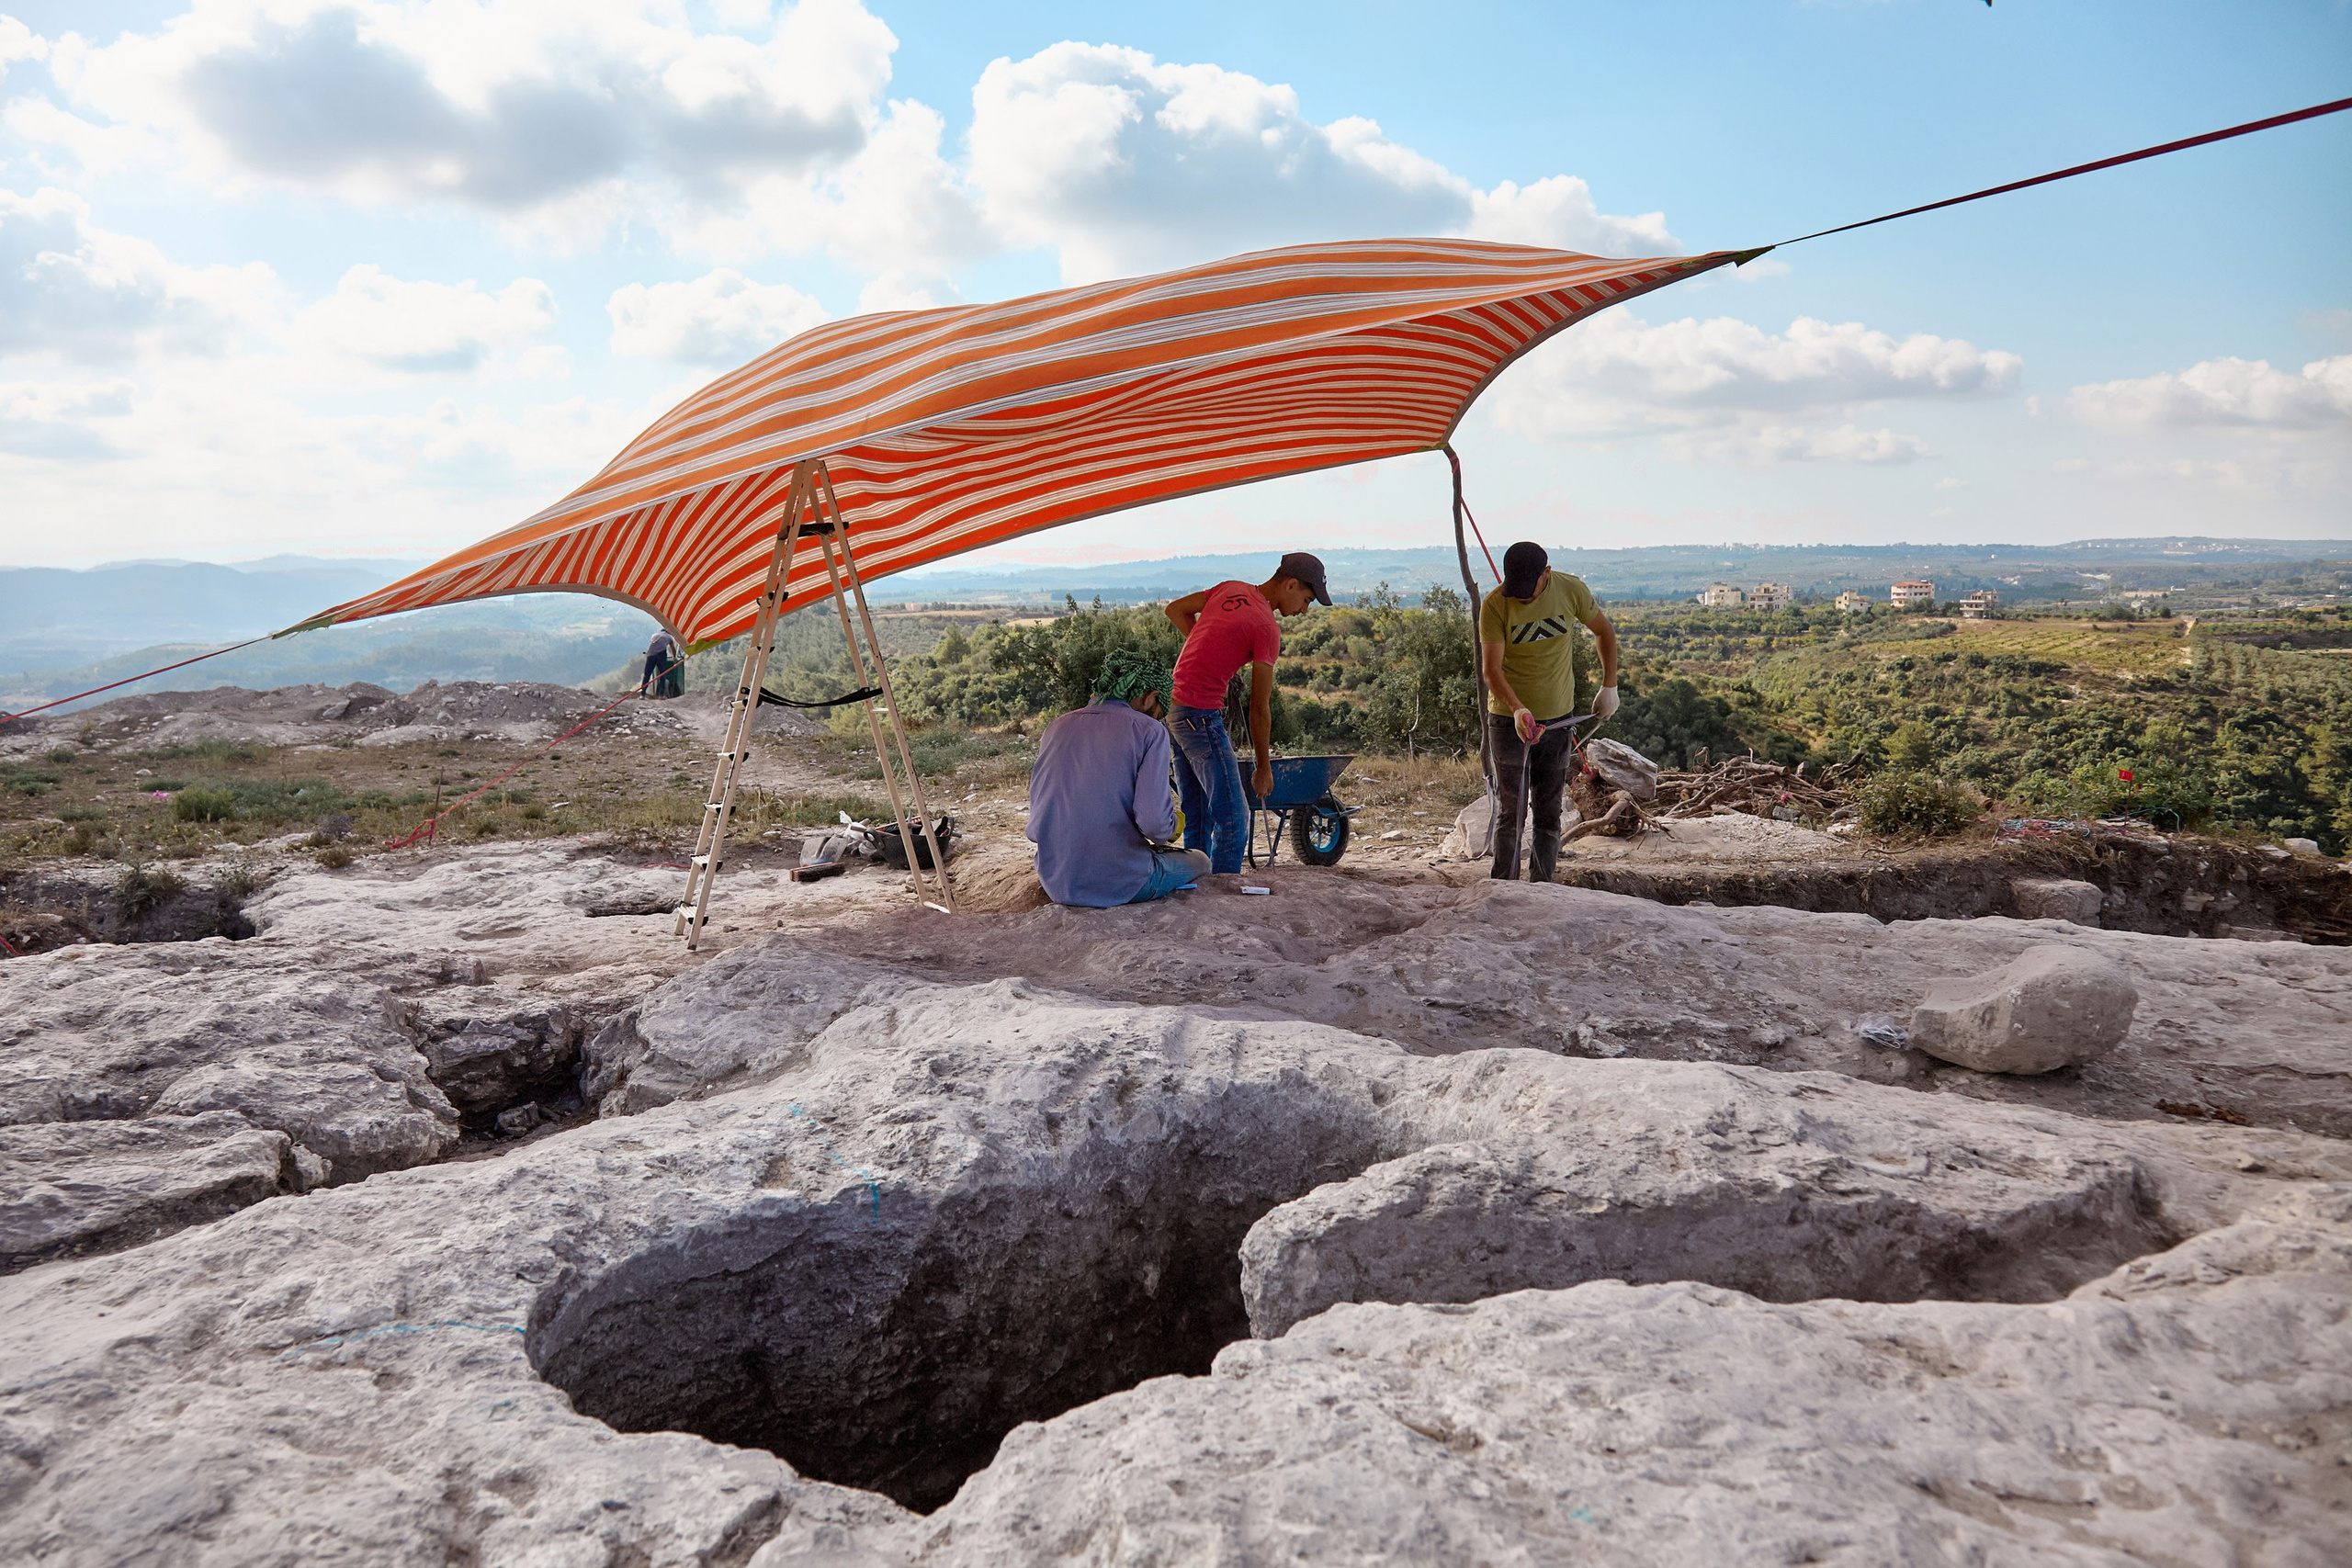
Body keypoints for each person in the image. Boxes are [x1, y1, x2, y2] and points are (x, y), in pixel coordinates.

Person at [1161, 552, 1330, 874]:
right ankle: (1223, 892)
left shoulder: (1230, 588)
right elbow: (1259, 707)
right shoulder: (1266, 627)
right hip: (1200, 713)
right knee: (1234, 817)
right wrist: (1263, 768)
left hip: (1175, 709)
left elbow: (1175, 610)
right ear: (1290, 585)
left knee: (1197, 810)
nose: (1304, 610)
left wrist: (1212, 651)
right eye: (1307, 600)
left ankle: (1194, 884)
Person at [1025, 649, 1211, 908]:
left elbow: (1036, 827)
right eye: (1159, 710)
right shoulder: (1150, 731)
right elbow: (1155, 826)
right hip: (1120, 882)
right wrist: (1172, 826)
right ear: (1151, 697)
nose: (1157, 717)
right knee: (1202, 860)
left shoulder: (1056, 726)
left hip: (1057, 880)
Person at [1479, 540, 1619, 884]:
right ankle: (1503, 888)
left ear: (1547, 574)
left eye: (1530, 588)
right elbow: (1492, 672)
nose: (1522, 597)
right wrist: (1517, 709)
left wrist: (1610, 685)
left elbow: (1604, 631)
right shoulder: (1495, 606)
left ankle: (1543, 887)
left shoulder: (1570, 590)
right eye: (1516, 588)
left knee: (1548, 810)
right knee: (1511, 812)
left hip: (1558, 720)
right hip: (1507, 722)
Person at [641, 626, 684, 698]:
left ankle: (643, 694)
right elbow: (673, 649)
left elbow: (652, 646)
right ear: (668, 632)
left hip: (650, 654)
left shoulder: (654, 635)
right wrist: (674, 659)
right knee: (662, 674)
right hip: (660, 655)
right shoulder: (669, 637)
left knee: (647, 675)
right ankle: (661, 695)